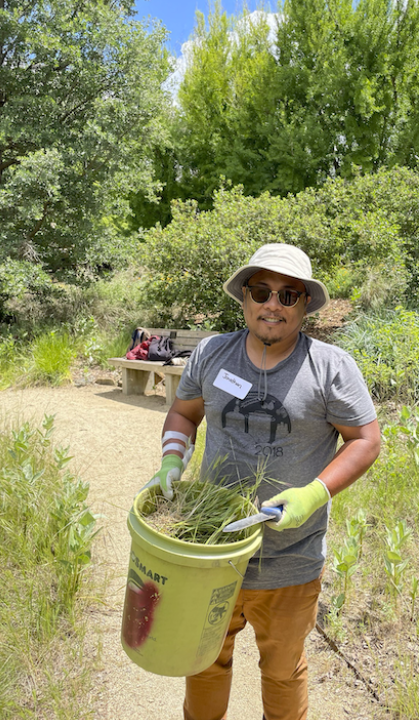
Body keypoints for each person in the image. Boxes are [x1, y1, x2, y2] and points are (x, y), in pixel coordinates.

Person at [144, 243, 381, 720]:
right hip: (210, 553)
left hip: (290, 559)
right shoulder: (212, 352)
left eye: (288, 294)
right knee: (204, 661)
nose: (273, 303)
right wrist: (173, 459)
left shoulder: (331, 367)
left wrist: (315, 493)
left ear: (306, 304)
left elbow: (366, 441)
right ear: (245, 298)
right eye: (261, 290)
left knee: (282, 670)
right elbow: (185, 411)